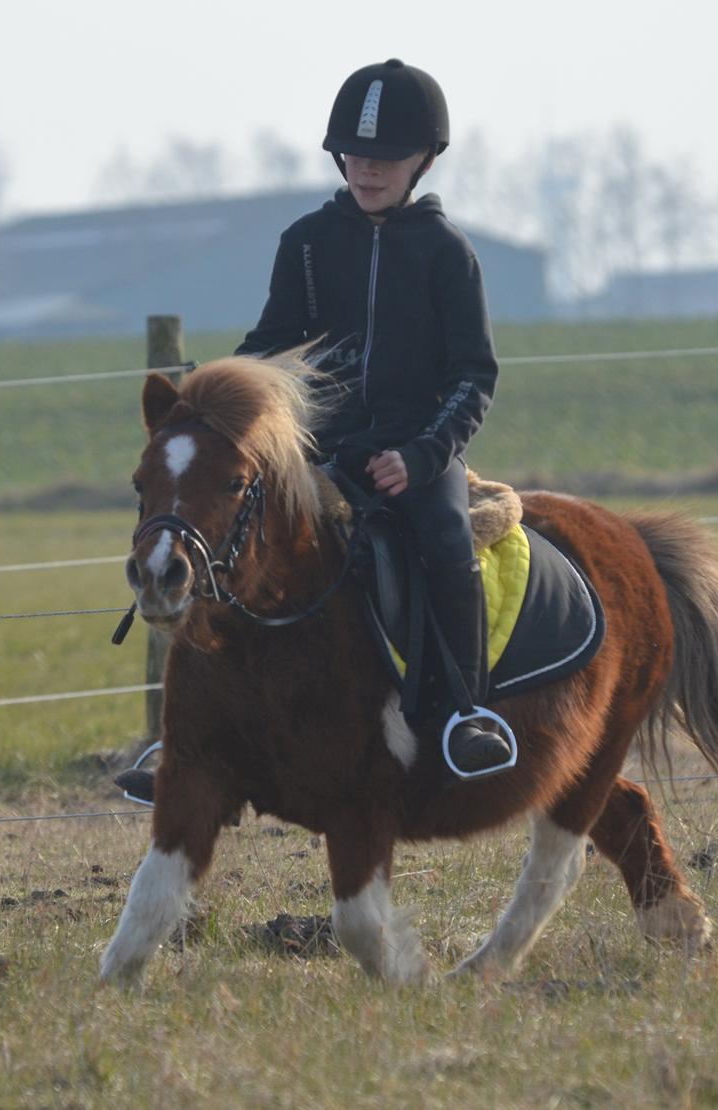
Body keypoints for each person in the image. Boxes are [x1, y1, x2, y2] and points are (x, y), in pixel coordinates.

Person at [241, 58, 514, 780]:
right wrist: (225, 394)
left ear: (423, 159)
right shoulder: (303, 243)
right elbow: (272, 346)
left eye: (387, 157)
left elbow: (473, 375)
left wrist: (422, 458)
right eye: (357, 155)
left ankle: (466, 712)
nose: (368, 169)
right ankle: (200, 728)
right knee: (224, 533)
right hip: (317, 455)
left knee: (447, 538)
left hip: (415, 456)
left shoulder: (448, 254)